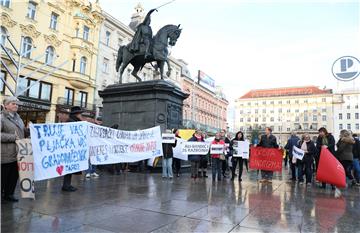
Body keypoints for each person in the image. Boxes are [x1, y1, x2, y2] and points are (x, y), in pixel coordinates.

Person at [1, 97, 26, 202]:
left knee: (13, 176)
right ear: (6, 106)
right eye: (13, 103)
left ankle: (9, 194)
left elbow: (21, 132)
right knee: (3, 177)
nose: (16, 105)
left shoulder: (19, 118)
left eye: (17, 104)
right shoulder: (1, 118)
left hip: (18, 153)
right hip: (5, 154)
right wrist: (13, 137)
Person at [62, 106, 84, 192]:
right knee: (68, 167)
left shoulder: (75, 121)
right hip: (70, 148)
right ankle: (66, 185)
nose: (80, 115)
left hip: (72, 147)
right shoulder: (72, 122)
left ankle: (67, 184)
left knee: (70, 167)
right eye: (80, 114)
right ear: (77, 114)